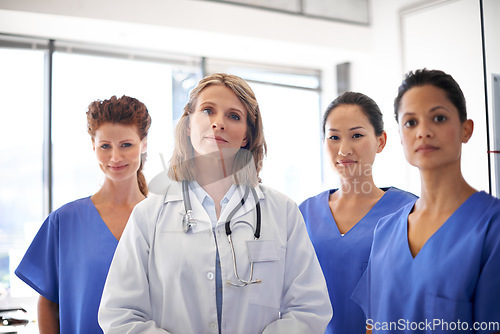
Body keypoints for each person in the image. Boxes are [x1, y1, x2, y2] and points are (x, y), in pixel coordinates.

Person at [98, 73, 332, 334]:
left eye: (234, 116)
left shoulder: (282, 212)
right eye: (208, 110)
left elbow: (310, 308)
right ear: (188, 124)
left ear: (246, 136)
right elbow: (120, 313)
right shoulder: (148, 215)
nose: (218, 123)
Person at [352, 69, 500, 334]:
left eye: (439, 118)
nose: (423, 131)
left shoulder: (491, 228)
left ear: (466, 130)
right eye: (410, 122)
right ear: (399, 136)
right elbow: (372, 327)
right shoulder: (385, 231)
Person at [15, 95, 151, 333]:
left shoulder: (162, 219)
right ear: (93, 146)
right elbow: (48, 303)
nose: (115, 157)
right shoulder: (64, 221)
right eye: (105, 146)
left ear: (144, 144)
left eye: (126, 145)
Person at [299, 92, 417, 334]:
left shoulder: (410, 211)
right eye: (334, 137)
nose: (344, 149)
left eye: (356, 135)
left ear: (380, 141)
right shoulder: (304, 213)